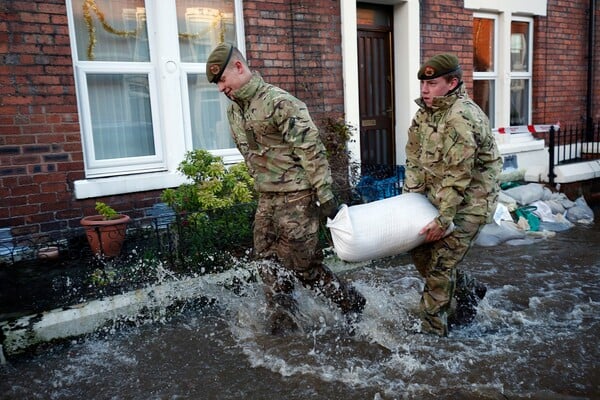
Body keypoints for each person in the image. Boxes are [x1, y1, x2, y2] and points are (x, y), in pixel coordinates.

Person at [205, 42, 366, 336]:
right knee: (267, 264)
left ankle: (350, 303)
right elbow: (249, 154)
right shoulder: (234, 112)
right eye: (217, 84)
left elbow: (311, 150)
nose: (220, 88)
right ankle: (284, 324)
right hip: (267, 198)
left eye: (222, 80)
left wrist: (325, 197)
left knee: (305, 268)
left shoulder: (280, 102)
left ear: (239, 68)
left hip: (297, 196)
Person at [404, 53, 502, 337]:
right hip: (440, 197)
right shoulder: (425, 113)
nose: (424, 90)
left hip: (471, 202)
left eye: (432, 84)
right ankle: (470, 290)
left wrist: (444, 219)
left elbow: (459, 174)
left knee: (439, 266)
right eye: (422, 83)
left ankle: (432, 332)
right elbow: (413, 160)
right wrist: (410, 202)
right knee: (421, 254)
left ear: (452, 83)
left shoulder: (461, 116)